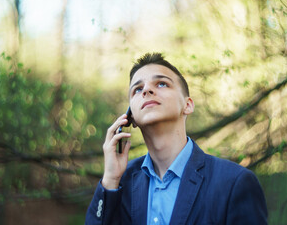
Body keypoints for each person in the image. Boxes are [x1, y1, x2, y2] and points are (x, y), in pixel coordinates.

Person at [85, 53, 268, 225]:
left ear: (187, 105)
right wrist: (110, 179)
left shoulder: (234, 183)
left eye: (162, 84)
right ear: (130, 117)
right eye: (138, 89)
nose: (147, 89)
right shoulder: (119, 184)